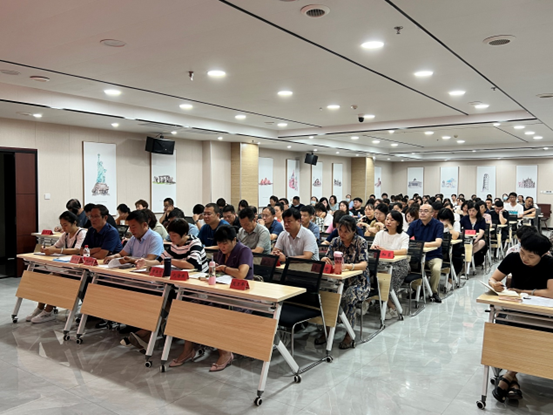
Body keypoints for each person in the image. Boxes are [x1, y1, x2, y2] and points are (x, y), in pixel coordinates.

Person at [167, 225, 253, 371]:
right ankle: (189, 350)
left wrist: (223, 268)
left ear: (234, 240)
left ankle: (225, 352)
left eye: (225, 243)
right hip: (221, 292)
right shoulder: (219, 253)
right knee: (192, 308)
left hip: (242, 296)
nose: (222, 247)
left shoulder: (244, 251)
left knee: (217, 313)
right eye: (219, 243)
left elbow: (241, 274)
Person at [488, 233, 553, 403]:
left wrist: (523, 291)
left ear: (543, 255)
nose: (525, 258)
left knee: (530, 335)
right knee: (503, 329)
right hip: (515, 309)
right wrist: (494, 284)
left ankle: (509, 375)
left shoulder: (549, 263)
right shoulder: (513, 258)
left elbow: (551, 293)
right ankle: (512, 378)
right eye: (523, 252)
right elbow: (493, 278)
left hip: (540, 314)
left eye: (531, 256)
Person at [27, 211, 87, 324]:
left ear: (74, 223)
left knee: (56, 279)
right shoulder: (65, 235)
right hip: (69, 268)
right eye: (62, 225)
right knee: (48, 279)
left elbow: (77, 250)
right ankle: (40, 308)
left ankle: (48, 311)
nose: (63, 228)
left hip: (79, 270)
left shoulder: (81, 233)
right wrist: (47, 249)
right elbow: (56, 246)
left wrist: (57, 250)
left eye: (65, 224)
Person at [319, 215, 370, 349]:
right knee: (326, 295)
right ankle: (327, 329)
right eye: (340, 230)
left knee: (348, 296)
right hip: (337, 282)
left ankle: (349, 334)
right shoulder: (335, 241)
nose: (342, 234)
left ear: (354, 231)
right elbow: (328, 257)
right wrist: (324, 260)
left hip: (359, 282)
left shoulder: (361, 242)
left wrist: (348, 266)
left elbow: (364, 264)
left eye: (346, 231)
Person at [370, 211, 409, 320]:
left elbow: (404, 251)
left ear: (398, 223)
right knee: (375, 276)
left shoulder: (403, 236)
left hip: (399, 264)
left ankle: (390, 306)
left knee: (386, 279)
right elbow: (373, 247)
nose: (388, 222)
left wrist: (386, 251)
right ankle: (390, 305)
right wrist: (375, 248)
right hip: (380, 263)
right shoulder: (380, 234)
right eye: (387, 219)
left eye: (392, 220)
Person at [136, 218, 208, 272]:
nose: (171, 238)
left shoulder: (194, 242)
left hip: (199, 277)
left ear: (184, 234)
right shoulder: (175, 244)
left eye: (174, 235)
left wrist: (170, 261)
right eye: (170, 235)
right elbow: (160, 260)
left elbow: (192, 265)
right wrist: (146, 262)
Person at [406, 203, 443, 303]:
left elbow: (438, 243)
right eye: (420, 211)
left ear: (432, 213)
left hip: (434, 255)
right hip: (417, 255)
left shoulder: (438, 225)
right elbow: (406, 239)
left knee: (436, 269)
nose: (422, 213)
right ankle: (418, 289)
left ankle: (433, 292)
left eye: (426, 211)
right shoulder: (414, 224)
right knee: (408, 267)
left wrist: (420, 244)